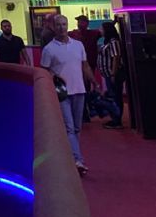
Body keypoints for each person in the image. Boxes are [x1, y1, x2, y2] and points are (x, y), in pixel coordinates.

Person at [41, 15, 96, 175]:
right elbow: (45, 71)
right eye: (58, 25)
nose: (61, 27)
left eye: (64, 24)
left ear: (67, 25)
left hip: (79, 89)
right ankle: (78, 160)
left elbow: (85, 65)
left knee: (77, 127)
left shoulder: (78, 45)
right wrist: (54, 78)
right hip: (62, 91)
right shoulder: (49, 49)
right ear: (53, 26)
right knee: (69, 128)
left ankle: (71, 159)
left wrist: (93, 81)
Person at [98, 21, 125, 123]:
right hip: (109, 74)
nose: (100, 30)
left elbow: (116, 57)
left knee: (116, 96)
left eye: (101, 29)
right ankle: (115, 117)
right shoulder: (108, 41)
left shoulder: (113, 42)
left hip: (113, 74)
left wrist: (113, 73)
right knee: (113, 95)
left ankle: (117, 119)